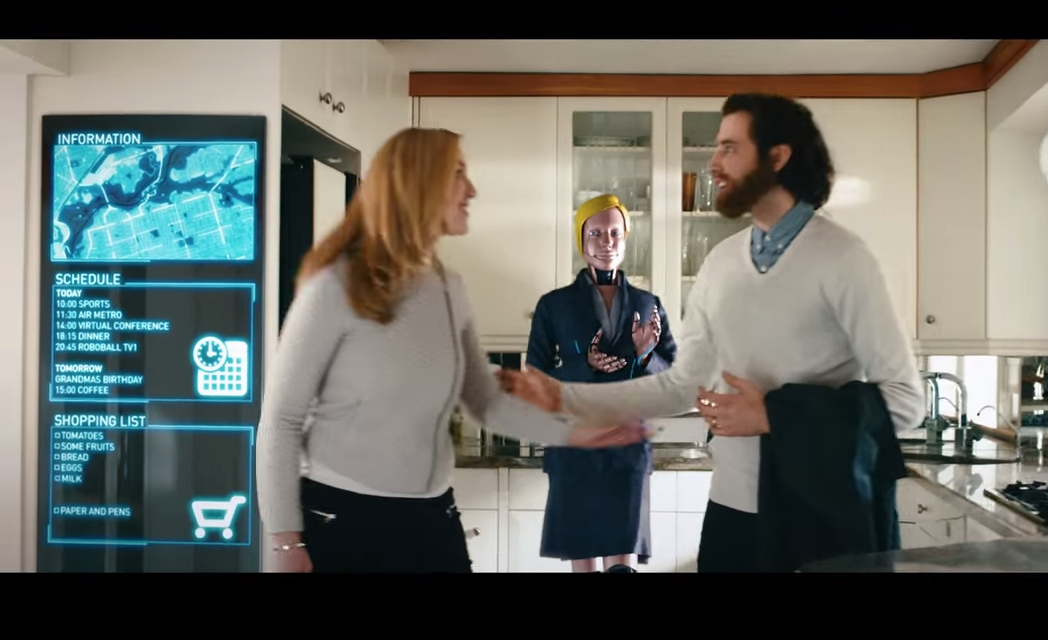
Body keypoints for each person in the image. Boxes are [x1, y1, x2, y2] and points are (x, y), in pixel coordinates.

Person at [500, 93, 925, 572]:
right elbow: (681, 385)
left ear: (777, 157)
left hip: (820, 513)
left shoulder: (844, 258)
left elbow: (906, 403)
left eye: (729, 148)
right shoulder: (721, 262)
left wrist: (774, 415)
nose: (713, 163)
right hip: (731, 506)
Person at [256, 128, 646, 574]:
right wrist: (285, 541)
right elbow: (281, 420)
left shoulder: (447, 287)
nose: (472, 189)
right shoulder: (334, 287)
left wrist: (574, 434)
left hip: (433, 518)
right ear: (419, 183)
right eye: (458, 173)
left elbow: (486, 401)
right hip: (344, 521)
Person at [526, 194, 678, 573]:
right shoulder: (554, 306)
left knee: (622, 565)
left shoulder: (649, 304)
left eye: (614, 233)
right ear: (581, 239)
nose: (606, 242)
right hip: (575, 448)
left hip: (628, 449)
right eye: (595, 233)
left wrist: (646, 355)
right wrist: (583, 365)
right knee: (584, 563)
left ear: (625, 238)